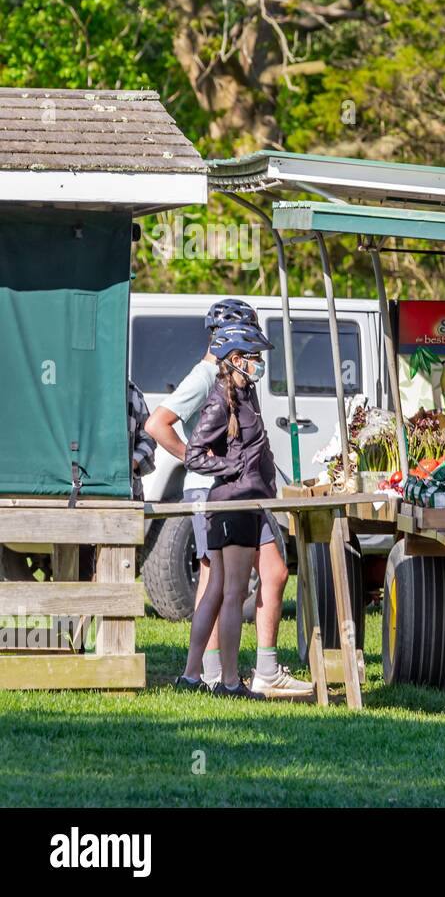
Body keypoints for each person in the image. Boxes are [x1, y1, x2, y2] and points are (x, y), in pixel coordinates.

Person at [148, 299, 310, 699]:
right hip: (219, 493)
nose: (255, 359)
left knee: (255, 576)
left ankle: (228, 672)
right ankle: (215, 673)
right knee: (221, 585)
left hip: (243, 492)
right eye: (249, 345)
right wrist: (208, 463)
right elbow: (159, 423)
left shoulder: (239, 384)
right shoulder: (207, 378)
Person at [174, 323, 280, 698]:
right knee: (234, 593)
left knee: (218, 590)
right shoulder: (219, 399)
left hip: (244, 503)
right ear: (235, 360)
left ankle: (191, 676)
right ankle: (231, 682)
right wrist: (232, 468)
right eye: (253, 358)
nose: (258, 364)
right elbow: (193, 453)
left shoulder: (244, 394)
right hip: (232, 507)